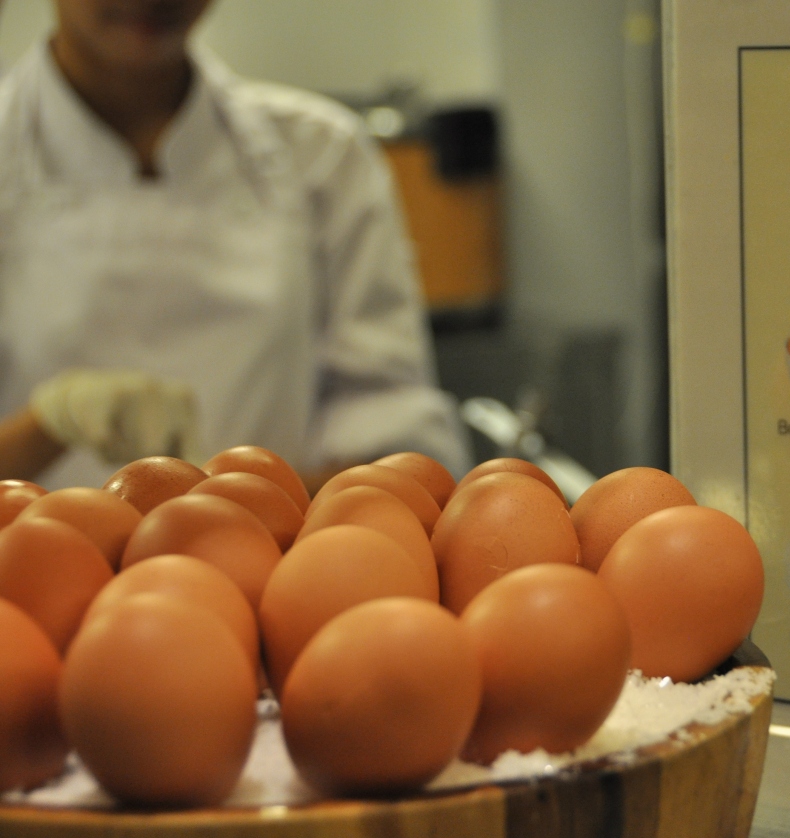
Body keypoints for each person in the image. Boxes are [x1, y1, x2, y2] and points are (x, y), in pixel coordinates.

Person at [0, 0, 470, 491]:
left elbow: (392, 446)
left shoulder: (322, 155)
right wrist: (48, 425)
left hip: (277, 541)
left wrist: (242, 510)